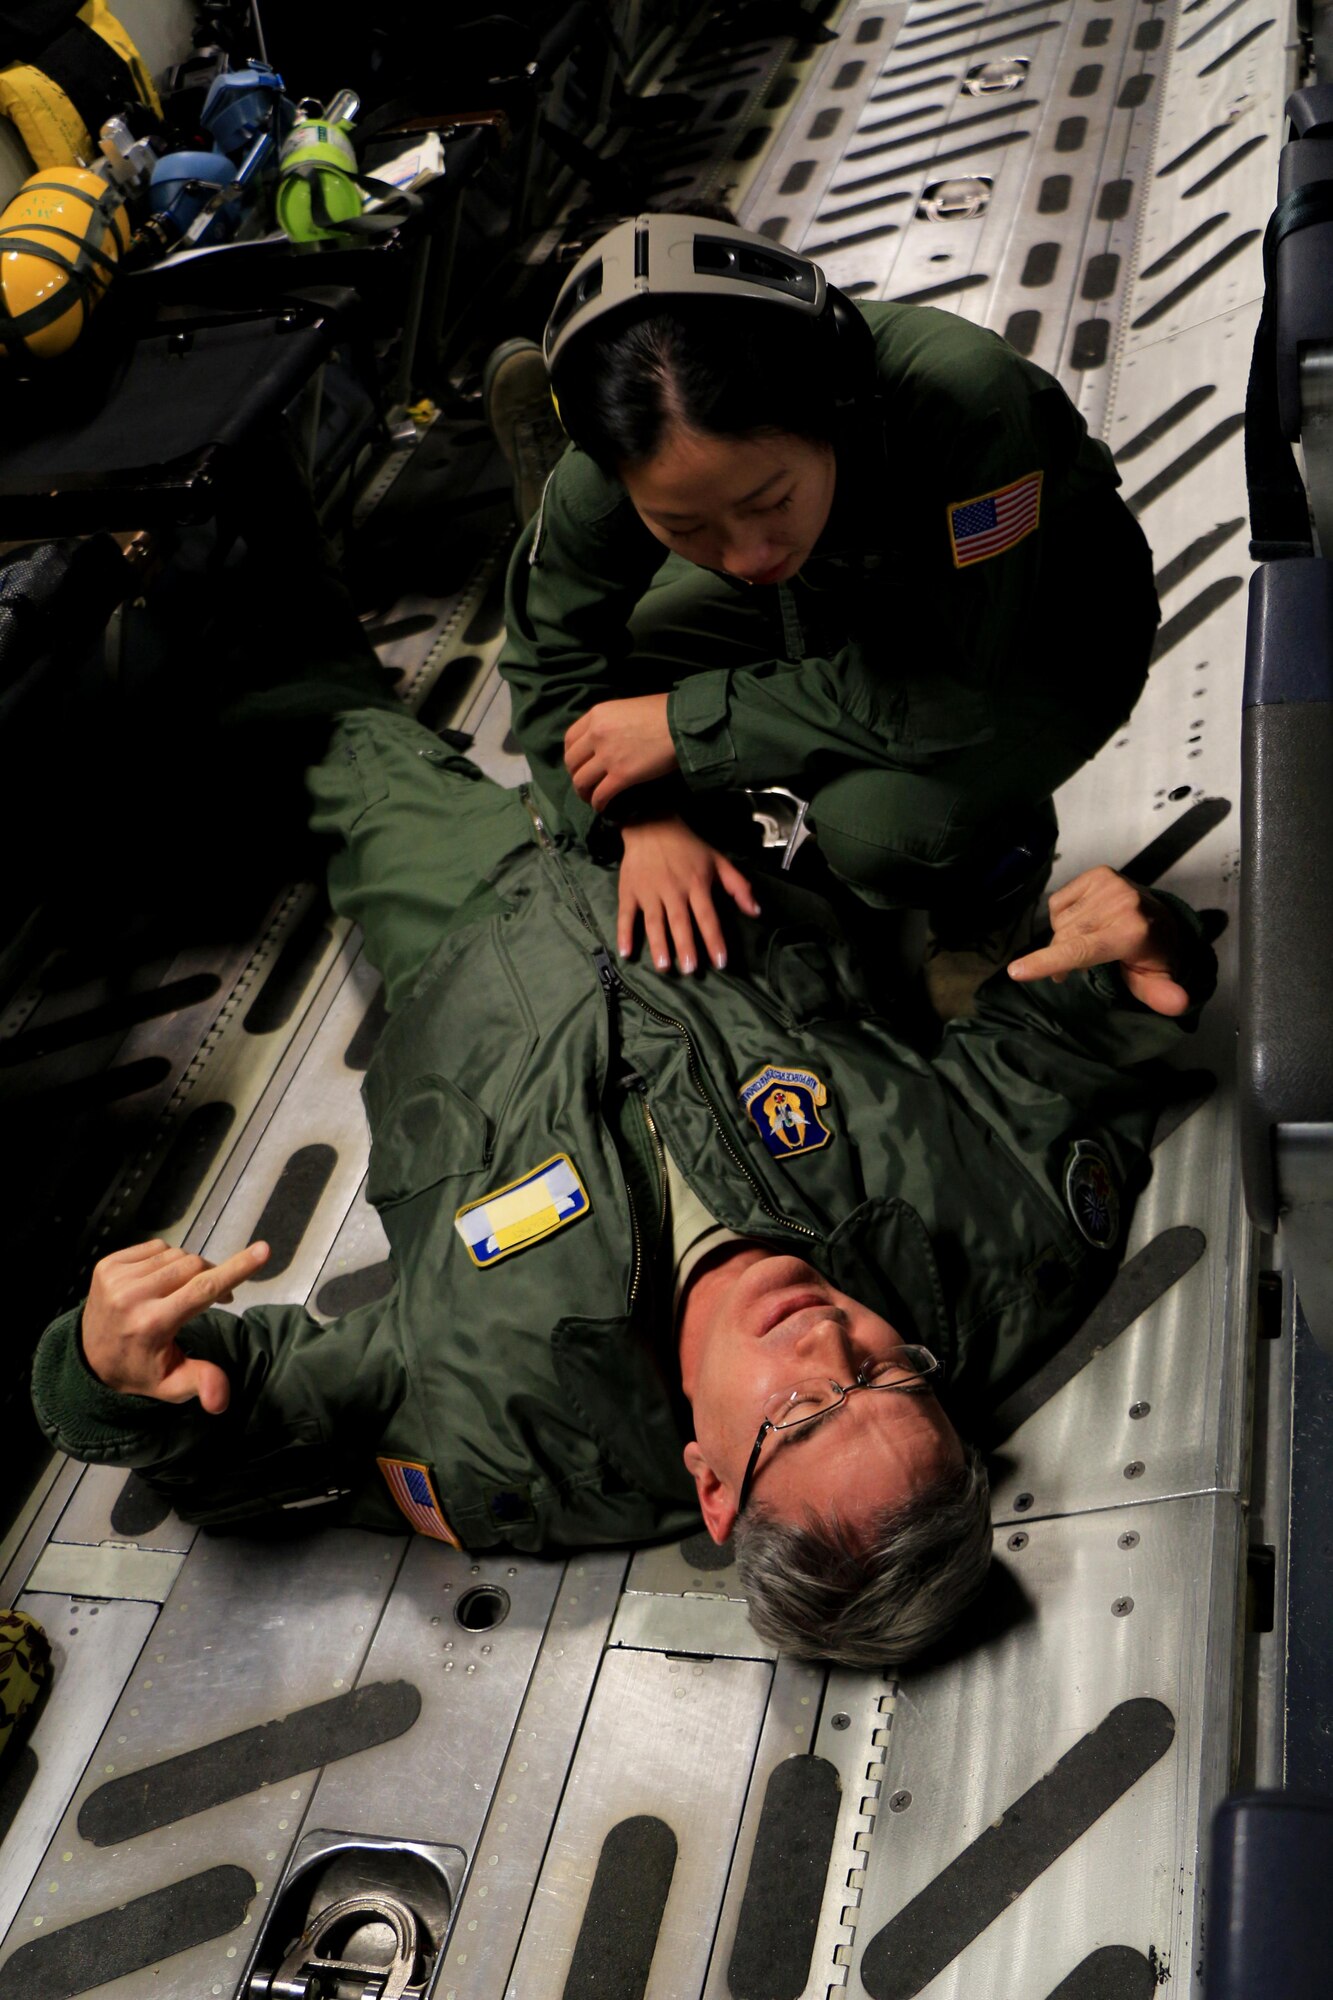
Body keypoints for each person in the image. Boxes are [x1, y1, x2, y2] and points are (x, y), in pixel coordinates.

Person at [31, 691, 1214, 1667]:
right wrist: (1136, 957)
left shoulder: (519, 1438)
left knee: (340, 737)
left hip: (474, 922)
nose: (828, 1341)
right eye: (884, 1371)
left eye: (802, 1412)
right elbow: (1063, 1057)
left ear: (712, 1488)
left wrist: (108, 1380)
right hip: (735, 851)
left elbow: (253, 1437)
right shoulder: (996, 1253)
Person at [495, 212, 1161, 1018]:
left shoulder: (965, 404)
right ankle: (729, 882)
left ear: (830, 405)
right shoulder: (618, 465)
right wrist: (642, 820)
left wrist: (687, 725)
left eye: (768, 500)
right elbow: (549, 658)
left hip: (1033, 639)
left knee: (879, 833)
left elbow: (950, 692)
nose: (743, 555)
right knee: (628, 673)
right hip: (825, 601)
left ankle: (994, 876)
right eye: (685, 528)